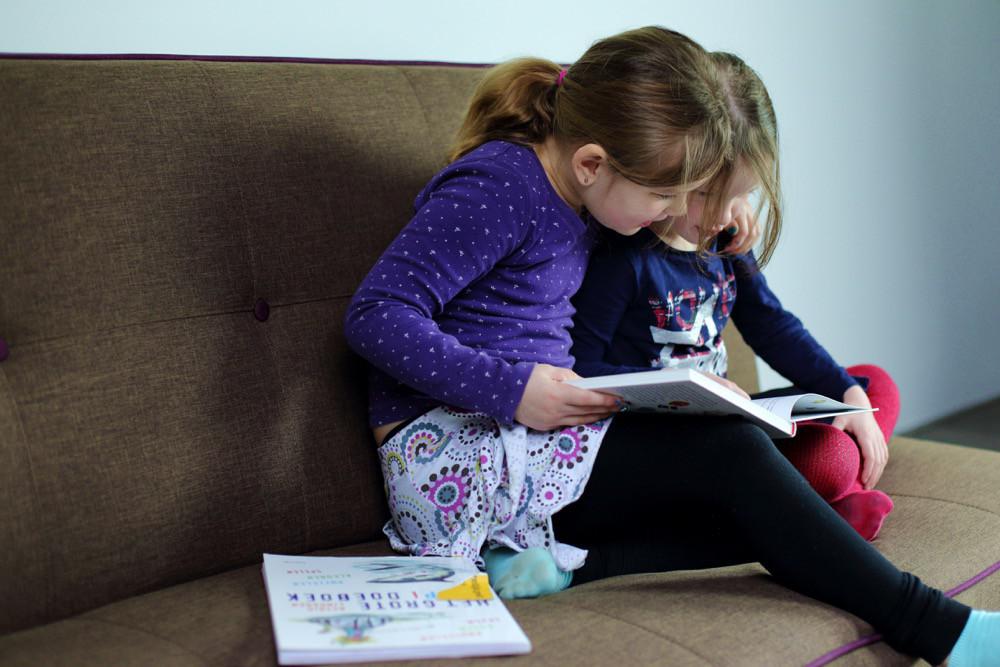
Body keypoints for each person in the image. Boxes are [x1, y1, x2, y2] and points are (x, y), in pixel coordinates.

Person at [344, 28, 999, 666]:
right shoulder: (503, 186)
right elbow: (375, 314)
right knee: (735, 455)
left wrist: (723, 219)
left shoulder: (581, 190)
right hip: (454, 453)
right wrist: (514, 389)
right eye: (666, 195)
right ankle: (939, 629)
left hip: (527, 441)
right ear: (593, 163)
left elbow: (674, 238)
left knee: (771, 459)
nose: (674, 209)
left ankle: (569, 566)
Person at [569, 51, 896, 542]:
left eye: (739, 195)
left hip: (732, 417)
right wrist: (685, 383)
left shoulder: (725, 240)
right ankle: (824, 502)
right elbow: (581, 368)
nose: (722, 213)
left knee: (872, 387)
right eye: (706, 194)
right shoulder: (625, 259)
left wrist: (846, 395)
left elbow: (772, 324)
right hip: (675, 436)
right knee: (825, 459)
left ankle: (813, 494)